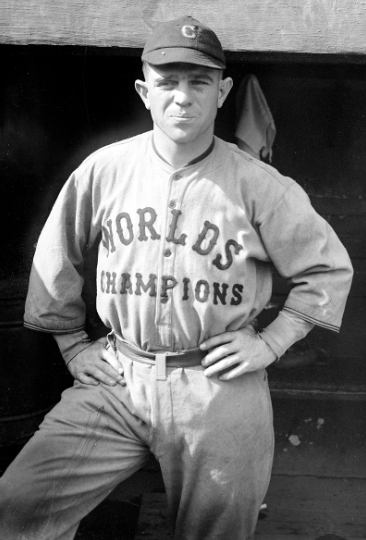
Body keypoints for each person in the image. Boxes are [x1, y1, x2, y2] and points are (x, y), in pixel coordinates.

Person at [0, 15, 353, 540]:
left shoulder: (258, 184)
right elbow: (57, 257)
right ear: (145, 91)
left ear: (223, 91)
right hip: (121, 376)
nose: (182, 97)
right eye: (167, 82)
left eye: (199, 81)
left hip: (217, 386)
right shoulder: (105, 170)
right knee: (19, 503)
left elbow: (327, 267)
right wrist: (73, 346)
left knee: (216, 531)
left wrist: (273, 342)